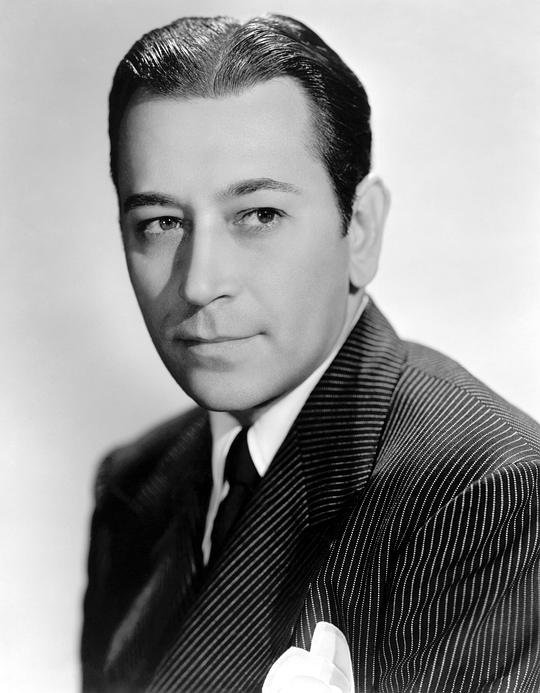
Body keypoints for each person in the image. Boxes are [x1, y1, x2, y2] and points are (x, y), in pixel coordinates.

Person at [81, 14, 540, 693]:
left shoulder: (488, 494)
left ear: (361, 229)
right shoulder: (134, 484)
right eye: (161, 223)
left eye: (259, 215)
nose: (200, 282)